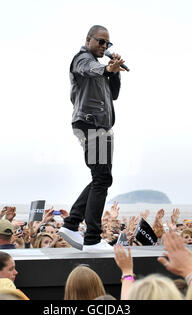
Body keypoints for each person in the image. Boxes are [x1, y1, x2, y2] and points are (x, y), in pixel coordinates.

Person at [59, 24, 126, 252]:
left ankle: (71, 223)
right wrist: (107, 69)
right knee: (102, 178)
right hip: (92, 124)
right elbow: (89, 69)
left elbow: (113, 94)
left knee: (101, 177)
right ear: (88, 39)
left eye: (107, 43)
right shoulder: (82, 58)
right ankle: (92, 238)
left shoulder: (100, 67)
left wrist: (114, 72)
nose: (104, 46)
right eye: (100, 41)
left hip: (100, 126)